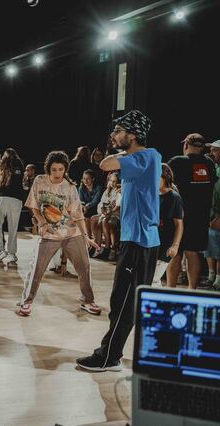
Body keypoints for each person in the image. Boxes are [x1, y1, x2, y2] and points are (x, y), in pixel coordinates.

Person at [77, 110, 160, 372]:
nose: (113, 135)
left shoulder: (145, 156)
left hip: (139, 241)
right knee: (121, 301)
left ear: (133, 135)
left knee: (123, 302)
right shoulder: (142, 158)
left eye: (118, 131)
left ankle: (109, 357)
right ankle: (112, 352)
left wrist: (120, 152)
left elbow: (104, 164)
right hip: (136, 239)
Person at [18, 151, 101, 317]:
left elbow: (77, 215)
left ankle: (88, 300)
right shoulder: (39, 181)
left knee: (84, 267)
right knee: (37, 269)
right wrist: (41, 222)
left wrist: (86, 237)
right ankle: (27, 301)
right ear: (48, 168)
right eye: (54, 169)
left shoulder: (69, 187)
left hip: (72, 233)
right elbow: (33, 206)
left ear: (65, 169)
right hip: (50, 234)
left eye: (61, 169)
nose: (57, 173)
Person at [167, 133, 217, 289]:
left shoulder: (176, 162)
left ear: (186, 145)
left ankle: (170, 288)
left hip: (178, 215)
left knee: (175, 252)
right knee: (192, 251)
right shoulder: (209, 163)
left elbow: (163, 181)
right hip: (200, 216)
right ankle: (191, 290)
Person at [151, 164, 184, 287]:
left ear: (165, 177)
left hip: (165, 244)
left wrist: (175, 245)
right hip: (152, 242)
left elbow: (179, 224)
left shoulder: (174, 197)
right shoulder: (153, 195)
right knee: (152, 279)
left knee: (153, 278)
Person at [0, 148, 25, 265]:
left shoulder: (2, 163)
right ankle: (11, 254)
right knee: (13, 228)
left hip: (1, 197)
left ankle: (0, 250)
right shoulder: (19, 164)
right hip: (16, 199)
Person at [90, 172, 122, 259]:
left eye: (115, 181)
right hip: (106, 213)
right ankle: (97, 246)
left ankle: (107, 248)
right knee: (93, 219)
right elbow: (101, 203)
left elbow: (118, 206)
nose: (113, 183)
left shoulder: (120, 191)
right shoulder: (107, 191)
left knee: (105, 221)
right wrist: (103, 209)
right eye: (111, 181)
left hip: (116, 214)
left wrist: (109, 211)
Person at [78, 170, 103, 238]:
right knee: (83, 214)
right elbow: (81, 200)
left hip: (96, 208)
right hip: (86, 209)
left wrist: (87, 206)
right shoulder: (81, 188)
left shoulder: (98, 188)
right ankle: (88, 237)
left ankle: (93, 237)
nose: (85, 181)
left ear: (93, 179)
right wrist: (83, 206)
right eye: (84, 178)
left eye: (88, 178)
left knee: (87, 215)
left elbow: (96, 201)